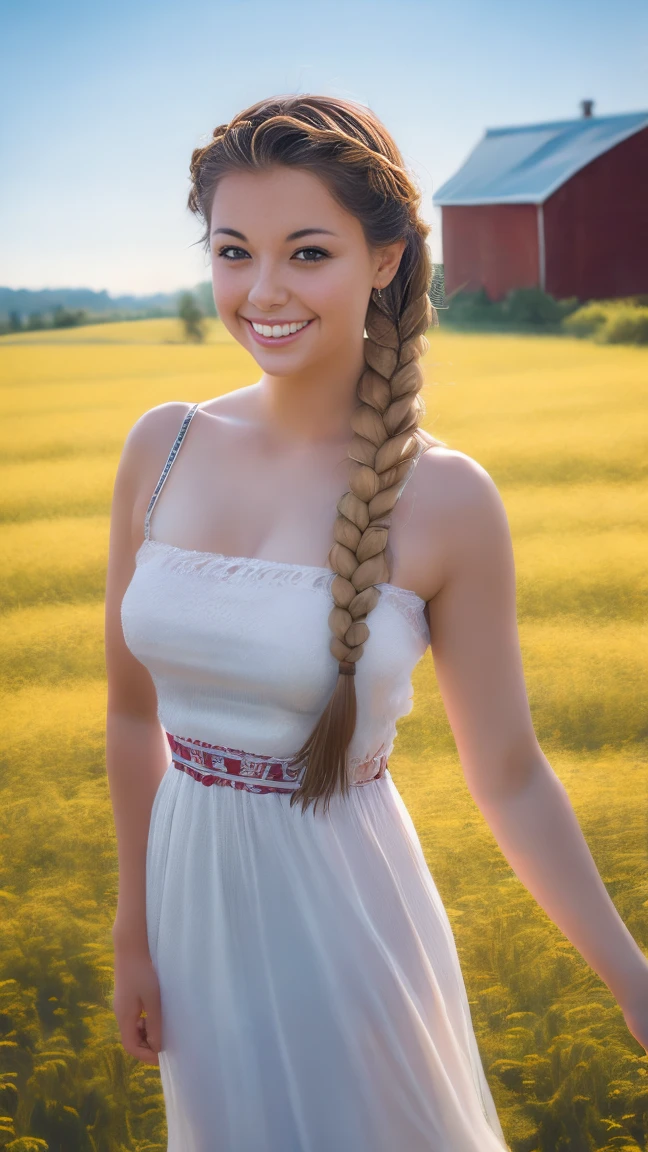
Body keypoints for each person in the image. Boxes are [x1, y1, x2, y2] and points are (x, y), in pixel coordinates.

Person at [105, 95, 648, 1152]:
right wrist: (134, 925)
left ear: (386, 258)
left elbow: (511, 773)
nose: (263, 292)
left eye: (308, 253)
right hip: (190, 911)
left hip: (348, 917)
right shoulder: (159, 447)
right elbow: (133, 720)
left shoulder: (448, 499)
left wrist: (634, 978)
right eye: (233, 251)